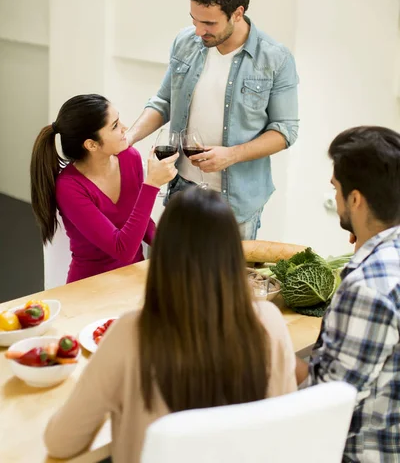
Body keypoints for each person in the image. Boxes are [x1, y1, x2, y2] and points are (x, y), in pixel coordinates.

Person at [44, 188, 297, 463]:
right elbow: (282, 429)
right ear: (234, 256)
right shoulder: (269, 323)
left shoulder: (130, 334)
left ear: (162, 257)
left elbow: (61, 443)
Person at [128, 0, 299, 240]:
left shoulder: (275, 59)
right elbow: (163, 101)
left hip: (237, 204)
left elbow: (285, 131)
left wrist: (231, 155)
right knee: (173, 279)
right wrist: (129, 136)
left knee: (226, 284)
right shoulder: (184, 42)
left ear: (237, 13)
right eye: (195, 20)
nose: (198, 31)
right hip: (181, 189)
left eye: (208, 23)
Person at [296, 126, 400, 462]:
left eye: (337, 189)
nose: (336, 197)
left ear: (355, 199)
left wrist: (268, 346)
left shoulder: (368, 287)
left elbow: (325, 399)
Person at [30, 94, 178, 283]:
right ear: (91, 144)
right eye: (115, 126)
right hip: (91, 286)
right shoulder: (69, 187)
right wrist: (152, 185)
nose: (125, 128)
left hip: (134, 277)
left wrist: (175, 252)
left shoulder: (129, 157)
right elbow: (122, 250)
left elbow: (143, 223)